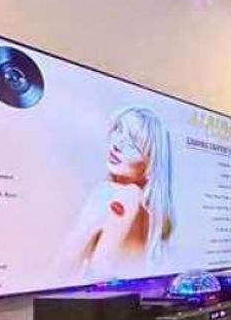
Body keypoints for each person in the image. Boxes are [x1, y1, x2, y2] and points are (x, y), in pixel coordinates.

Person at [61, 106, 175, 274]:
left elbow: (65, 264)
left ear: (150, 165)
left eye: (133, 145)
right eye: (119, 130)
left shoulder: (120, 194)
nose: (118, 144)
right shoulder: (151, 211)